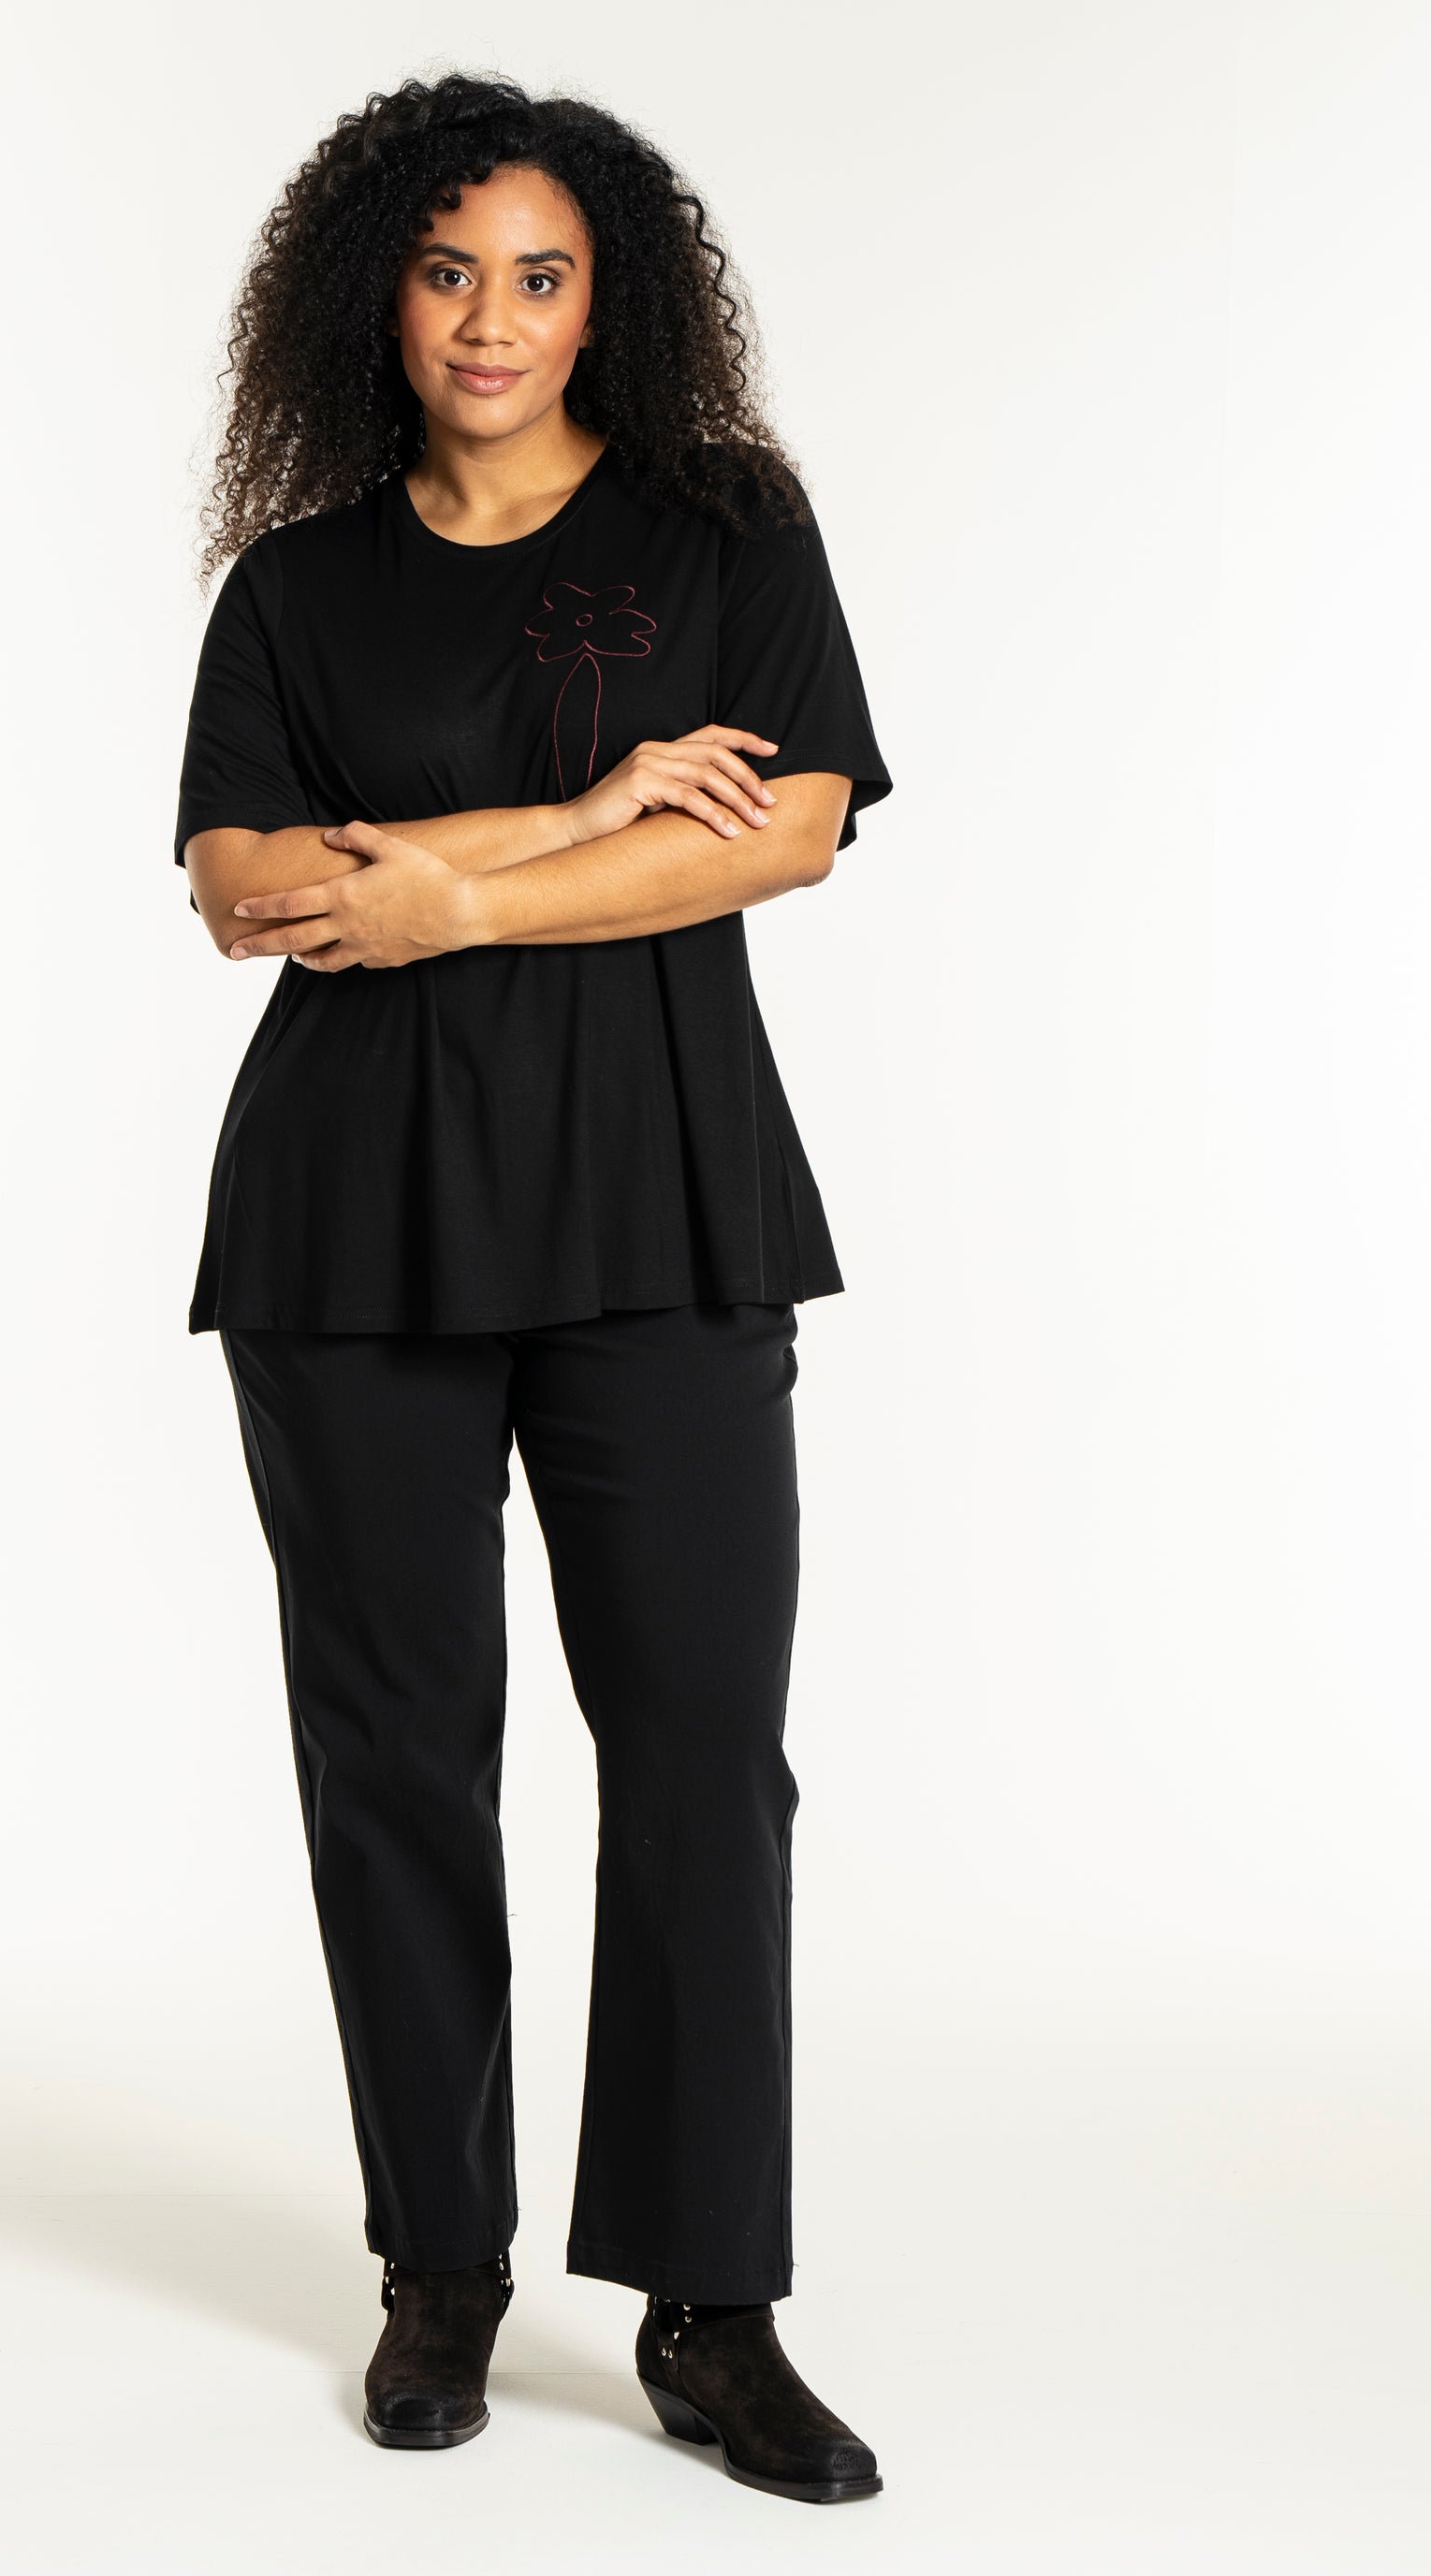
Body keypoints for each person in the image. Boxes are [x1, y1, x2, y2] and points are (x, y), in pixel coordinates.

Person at [173, 73, 891, 2506]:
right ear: (374, 292)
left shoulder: (725, 527)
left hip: (662, 1202)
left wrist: (458, 892)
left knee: (699, 1751)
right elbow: (253, 892)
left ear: (613, 302)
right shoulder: (292, 589)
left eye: (544, 274)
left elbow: (781, 834)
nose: (494, 318)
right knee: (395, 1750)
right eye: (449, 268)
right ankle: (439, 2267)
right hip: (347, 1221)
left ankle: (711, 2307)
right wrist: (583, 812)